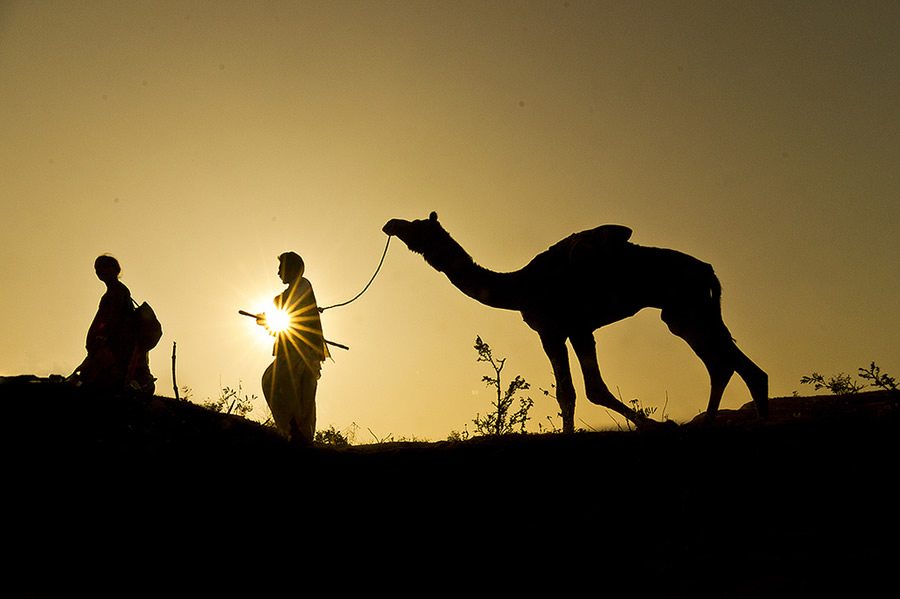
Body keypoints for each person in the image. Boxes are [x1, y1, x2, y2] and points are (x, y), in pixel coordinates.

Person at [257, 252, 328, 446]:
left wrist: (271, 314)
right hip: (298, 349)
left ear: (291, 269)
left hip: (303, 351)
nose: (278, 272)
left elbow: (285, 304)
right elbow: (285, 325)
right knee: (292, 389)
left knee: (278, 383)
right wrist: (267, 322)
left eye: (281, 268)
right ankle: (295, 432)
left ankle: (298, 433)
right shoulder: (299, 289)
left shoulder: (302, 285)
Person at [70, 255, 155, 394]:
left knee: (110, 369)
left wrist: (104, 336)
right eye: (97, 268)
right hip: (117, 338)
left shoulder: (117, 289)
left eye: (103, 266)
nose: (99, 271)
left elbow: (115, 315)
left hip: (119, 339)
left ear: (115, 269)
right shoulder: (113, 290)